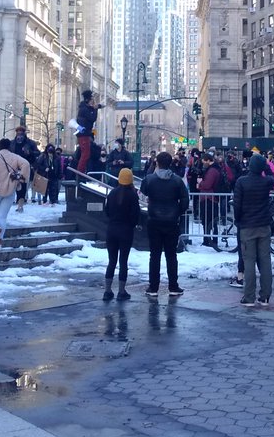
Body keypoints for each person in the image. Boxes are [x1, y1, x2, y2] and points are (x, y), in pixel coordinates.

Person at [139, 152, 189, 297]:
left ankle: (153, 287)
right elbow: (185, 200)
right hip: (172, 221)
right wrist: (177, 212)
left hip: (154, 220)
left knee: (154, 255)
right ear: (170, 163)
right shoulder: (177, 181)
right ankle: (173, 286)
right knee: (171, 255)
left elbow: (142, 194)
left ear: (157, 163)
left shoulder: (149, 179)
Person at [233, 153, 274, 307]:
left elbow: (237, 205)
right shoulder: (266, 182)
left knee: (249, 260)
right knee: (265, 261)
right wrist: (266, 167)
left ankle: (249, 296)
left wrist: (238, 220)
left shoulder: (242, 182)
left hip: (247, 225)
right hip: (264, 225)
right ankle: (265, 296)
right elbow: (272, 178)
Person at [0, 139, 31, 248]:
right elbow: (26, 164)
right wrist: (22, 178)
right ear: (10, 146)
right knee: (3, 217)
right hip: (10, 190)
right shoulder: (15, 157)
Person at [102, 168, 140, 301]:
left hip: (111, 230)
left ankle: (107, 291)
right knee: (123, 261)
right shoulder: (132, 195)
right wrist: (132, 224)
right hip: (126, 231)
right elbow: (135, 215)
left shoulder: (112, 193)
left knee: (111, 261)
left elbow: (106, 211)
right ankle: (121, 291)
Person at [10, 125, 40, 211]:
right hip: (14, 167)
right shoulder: (12, 143)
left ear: (24, 134)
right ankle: (15, 201)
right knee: (13, 185)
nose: (19, 135)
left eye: (21, 133)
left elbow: (37, 153)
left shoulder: (30, 143)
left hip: (25, 167)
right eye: (18, 133)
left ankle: (20, 205)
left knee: (22, 186)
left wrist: (30, 152)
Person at [74, 90, 100, 174]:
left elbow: (90, 110)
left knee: (85, 154)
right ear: (88, 100)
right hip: (84, 134)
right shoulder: (84, 110)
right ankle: (80, 172)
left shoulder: (83, 108)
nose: (93, 102)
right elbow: (92, 118)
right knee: (85, 154)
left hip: (84, 133)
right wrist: (95, 109)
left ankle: (81, 171)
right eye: (91, 100)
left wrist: (95, 107)